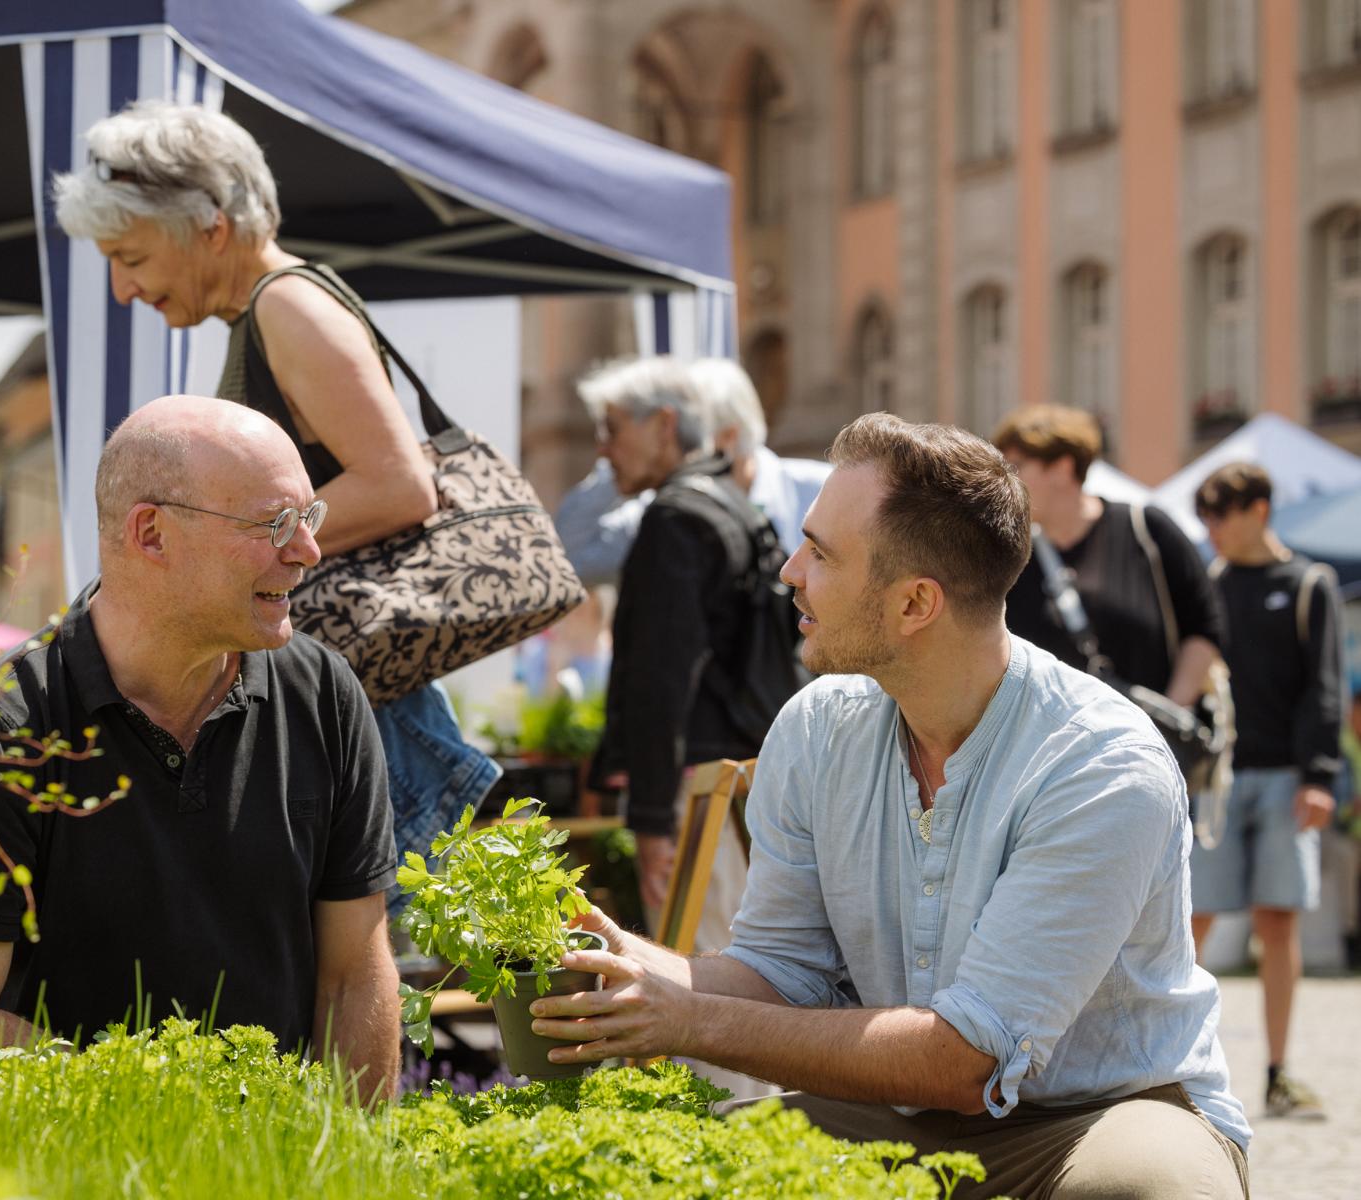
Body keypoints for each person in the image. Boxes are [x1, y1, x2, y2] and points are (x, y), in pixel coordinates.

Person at [528, 414, 1250, 1198]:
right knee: (657, 1168)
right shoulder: (816, 727)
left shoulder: (1101, 764)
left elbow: (965, 1061)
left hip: (1100, 1118)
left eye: (821, 554)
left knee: (1145, 1191)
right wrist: (633, 963)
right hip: (895, 1115)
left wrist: (687, 1018)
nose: (789, 571)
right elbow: (781, 972)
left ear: (913, 605)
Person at [0, 397, 401, 1101]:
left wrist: (356, 1163)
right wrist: (170, 1118)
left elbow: (355, 977)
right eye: (272, 523)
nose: (307, 550)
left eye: (307, 518)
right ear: (152, 534)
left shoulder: (321, 693)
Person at [52, 100, 497, 886]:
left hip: (370, 699)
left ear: (209, 225)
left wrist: (236, 534)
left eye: (131, 256)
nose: (123, 289)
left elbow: (400, 486)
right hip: (359, 687)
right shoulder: (268, 311)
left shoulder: (287, 305)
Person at [580, 357, 799, 921]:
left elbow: (660, 676)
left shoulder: (676, 517)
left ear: (663, 425)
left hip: (695, 796)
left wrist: (652, 821)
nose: (603, 449)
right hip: (741, 780)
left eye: (613, 428)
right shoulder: (729, 501)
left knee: (700, 981)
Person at [1190, 462, 1341, 1119]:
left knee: (1276, 923)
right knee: (1187, 922)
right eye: (1205, 517)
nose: (1211, 529)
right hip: (1217, 778)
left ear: (1258, 509)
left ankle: (1277, 1072)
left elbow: (1324, 688)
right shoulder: (1208, 584)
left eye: (1220, 514)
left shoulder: (1308, 584)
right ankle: (1173, 1065)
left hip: (1285, 777)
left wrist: (1318, 777)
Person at [994, 405, 1225, 713]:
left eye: (1017, 466)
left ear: (1063, 468)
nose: (1006, 482)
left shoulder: (1146, 529)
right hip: (1051, 752)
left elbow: (1205, 627)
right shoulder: (1009, 552)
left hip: (1148, 745)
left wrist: (1169, 715)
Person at [552, 358, 828, 589]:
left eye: (692, 437)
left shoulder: (824, 491)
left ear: (729, 437)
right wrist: (620, 467)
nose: (678, 450)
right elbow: (570, 559)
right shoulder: (661, 512)